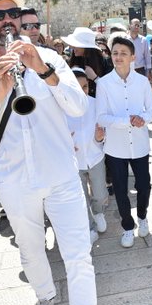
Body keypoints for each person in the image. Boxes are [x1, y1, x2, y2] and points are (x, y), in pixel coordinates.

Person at [0, 0, 97, 305]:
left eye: (14, 13)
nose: (8, 20)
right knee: (31, 251)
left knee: (79, 256)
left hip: (61, 174)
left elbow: (78, 107)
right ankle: (46, 296)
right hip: (15, 180)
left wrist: (44, 71)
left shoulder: (49, 58)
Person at [96, 36, 152, 248]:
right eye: (115, 53)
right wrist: (127, 121)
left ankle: (142, 216)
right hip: (115, 147)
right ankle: (128, 226)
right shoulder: (103, 84)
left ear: (133, 57)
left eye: (123, 53)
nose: (118, 57)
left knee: (144, 186)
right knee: (120, 190)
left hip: (139, 145)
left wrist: (143, 119)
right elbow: (101, 117)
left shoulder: (142, 82)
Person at [66, 68, 108, 245]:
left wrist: (100, 137)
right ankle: (89, 227)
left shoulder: (96, 104)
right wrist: (66, 143)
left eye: (85, 86)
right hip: (74, 161)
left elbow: (103, 132)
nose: (82, 91)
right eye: (77, 87)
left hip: (95, 156)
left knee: (100, 192)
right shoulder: (62, 107)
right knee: (81, 196)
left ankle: (98, 211)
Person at [63, 27, 111, 96]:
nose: (73, 47)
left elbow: (110, 88)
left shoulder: (105, 62)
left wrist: (95, 78)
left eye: (76, 45)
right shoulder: (71, 62)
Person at [128, 18, 152, 84]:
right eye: (135, 25)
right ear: (130, 26)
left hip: (140, 70)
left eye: (138, 25)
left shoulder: (143, 40)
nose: (137, 27)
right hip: (128, 70)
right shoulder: (125, 40)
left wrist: (149, 71)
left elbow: (147, 56)